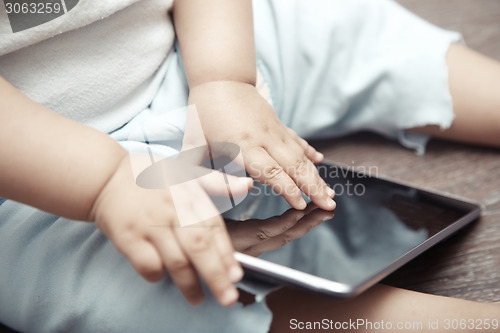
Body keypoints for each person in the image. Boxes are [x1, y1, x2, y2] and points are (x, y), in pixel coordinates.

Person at [0, 0, 498, 332]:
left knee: (330, 22)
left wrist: (225, 79)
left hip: (204, 51)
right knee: (159, 293)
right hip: (42, 179)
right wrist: (103, 183)